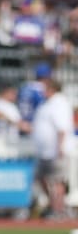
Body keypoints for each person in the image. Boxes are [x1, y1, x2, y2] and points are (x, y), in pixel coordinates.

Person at [31, 78, 75, 219]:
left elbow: (62, 128)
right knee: (41, 178)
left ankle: (59, 210)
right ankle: (54, 206)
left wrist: (60, 147)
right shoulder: (47, 104)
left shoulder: (59, 103)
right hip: (45, 151)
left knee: (57, 181)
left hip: (55, 150)